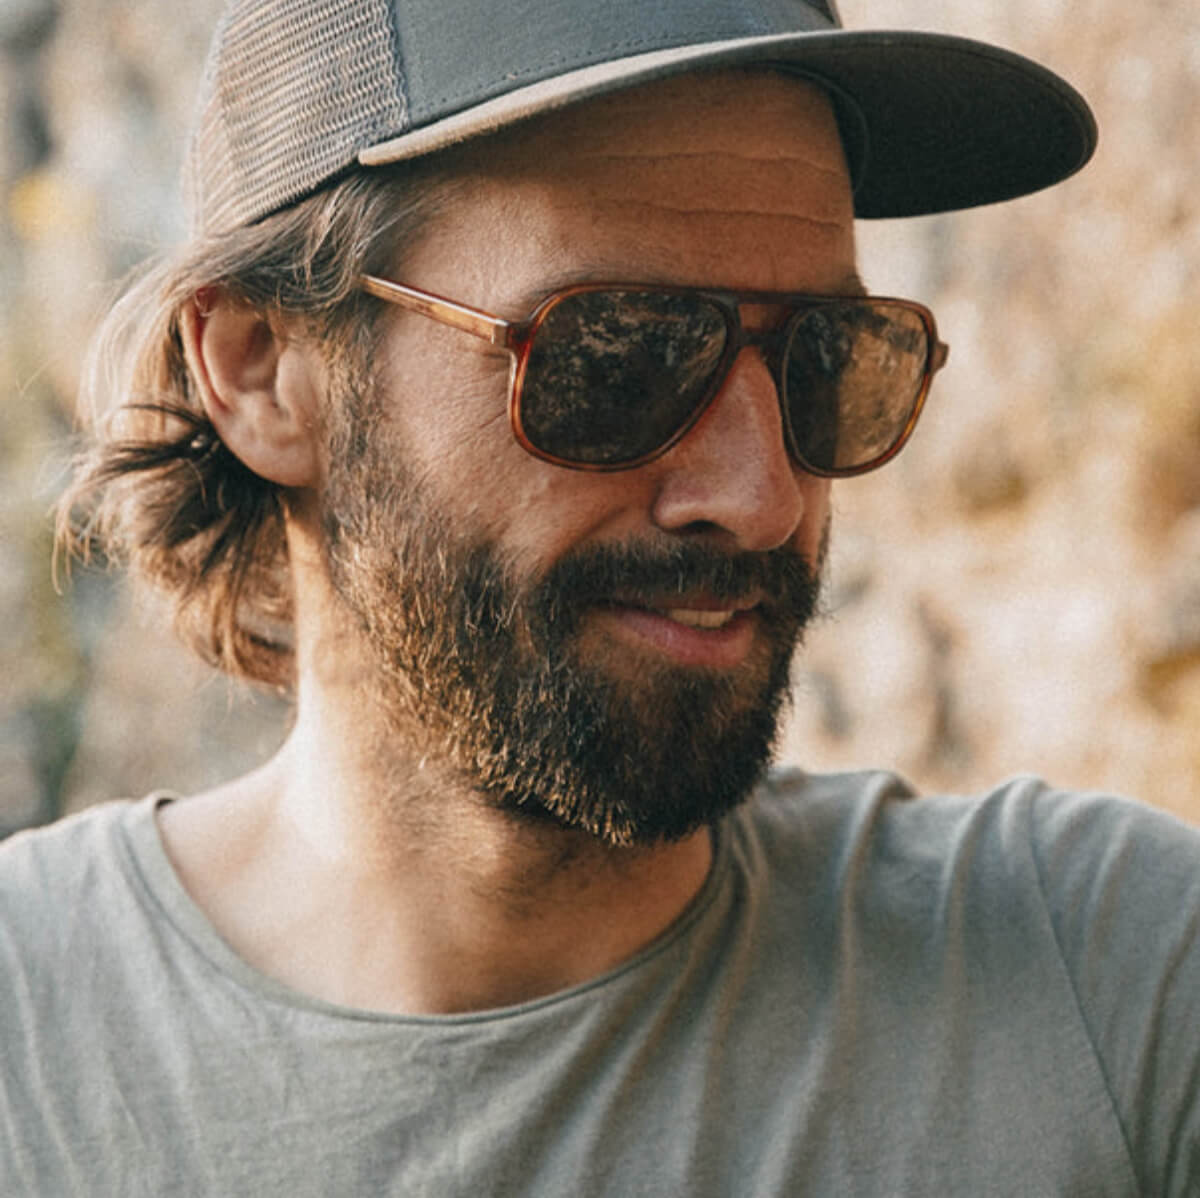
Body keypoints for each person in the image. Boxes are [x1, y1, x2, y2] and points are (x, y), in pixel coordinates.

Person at [2, 0, 1197, 1193]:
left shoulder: (1111, 979)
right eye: (616, 351)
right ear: (260, 368)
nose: (761, 496)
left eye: (828, 356)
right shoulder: (31, 1039)